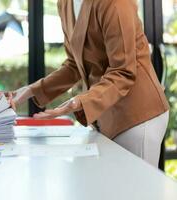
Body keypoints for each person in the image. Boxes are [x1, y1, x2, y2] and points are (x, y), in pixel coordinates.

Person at [9, 0, 169, 167]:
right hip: (104, 115)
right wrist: (30, 90)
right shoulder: (65, 3)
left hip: (136, 114)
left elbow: (123, 70)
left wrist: (79, 102)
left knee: (136, 191)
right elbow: (74, 65)